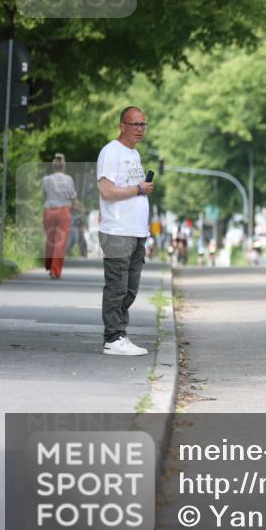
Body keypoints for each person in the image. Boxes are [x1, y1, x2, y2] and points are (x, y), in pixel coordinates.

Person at [97, 106, 153, 356]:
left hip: (136, 231)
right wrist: (139, 190)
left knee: (130, 288)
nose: (140, 129)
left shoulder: (134, 154)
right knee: (117, 287)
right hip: (118, 230)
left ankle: (120, 334)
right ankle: (113, 337)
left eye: (143, 124)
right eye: (135, 124)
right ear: (122, 126)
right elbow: (107, 191)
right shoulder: (111, 152)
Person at [41, 153, 77, 279]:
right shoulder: (68, 179)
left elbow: (44, 195)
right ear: (63, 167)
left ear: (53, 166)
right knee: (60, 242)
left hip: (48, 210)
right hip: (63, 211)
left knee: (50, 239)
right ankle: (55, 270)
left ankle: (49, 265)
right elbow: (73, 196)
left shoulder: (46, 179)